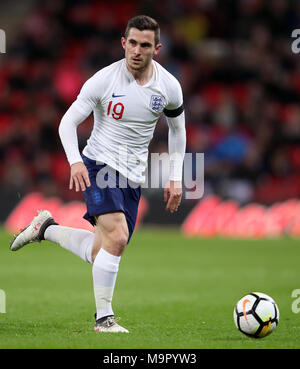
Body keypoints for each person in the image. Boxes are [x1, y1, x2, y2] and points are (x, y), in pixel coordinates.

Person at [10, 15, 186, 333]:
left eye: (144, 45)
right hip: (99, 164)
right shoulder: (103, 81)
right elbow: (67, 122)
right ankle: (104, 319)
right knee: (117, 238)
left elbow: (177, 129)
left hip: (133, 176)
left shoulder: (169, 87)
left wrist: (175, 176)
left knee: (101, 250)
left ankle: (45, 228)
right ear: (123, 43)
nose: (136, 50)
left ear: (156, 49)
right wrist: (76, 162)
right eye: (131, 42)